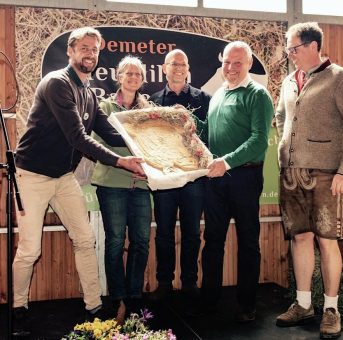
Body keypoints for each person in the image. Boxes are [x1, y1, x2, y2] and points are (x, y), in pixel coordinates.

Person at [12, 27, 145, 336]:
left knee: (85, 240)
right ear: (71, 51)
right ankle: (18, 306)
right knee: (30, 249)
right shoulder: (57, 83)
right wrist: (121, 161)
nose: (90, 54)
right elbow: (78, 137)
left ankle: (93, 304)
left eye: (94, 49)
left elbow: (109, 132)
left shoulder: (87, 92)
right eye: (84, 48)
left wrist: (143, 148)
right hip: (32, 175)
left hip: (63, 177)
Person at [275, 22, 343, 339]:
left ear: (313, 46)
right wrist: (284, 147)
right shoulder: (289, 81)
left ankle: (331, 309)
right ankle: (303, 304)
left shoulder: (340, 78)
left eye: (293, 47)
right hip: (291, 173)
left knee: (327, 241)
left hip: (328, 175)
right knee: (299, 237)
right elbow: (281, 117)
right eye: (289, 48)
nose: (290, 54)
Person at [194, 41, 274, 322]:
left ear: (249, 64)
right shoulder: (217, 95)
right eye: (226, 62)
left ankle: (247, 305)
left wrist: (226, 162)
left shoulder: (258, 95)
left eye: (237, 62)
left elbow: (259, 141)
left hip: (244, 178)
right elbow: (211, 135)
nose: (230, 67)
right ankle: (209, 301)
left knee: (248, 242)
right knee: (212, 240)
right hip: (215, 179)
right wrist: (195, 126)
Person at [91, 55, 152, 325]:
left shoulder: (147, 109)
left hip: (141, 185)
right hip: (112, 183)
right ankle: (117, 297)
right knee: (115, 241)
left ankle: (134, 295)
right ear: (119, 76)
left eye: (137, 74)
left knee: (141, 241)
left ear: (142, 79)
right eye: (128, 73)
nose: (133, 78)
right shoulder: (104, 106)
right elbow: (98, 144)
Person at [149, 49, 211, 301]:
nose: (178, 68)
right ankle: (164, 282)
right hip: (164, 176)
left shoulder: (204, 98)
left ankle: (189, 282)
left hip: (194, 177)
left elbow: (209, 136)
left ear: (188, 69)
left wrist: (192, 119)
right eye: (174, 64)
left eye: (183, 64)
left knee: (192, 233)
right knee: (163, 231)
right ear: (164, 68)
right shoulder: (152, 100)